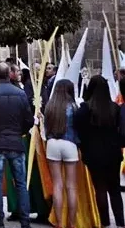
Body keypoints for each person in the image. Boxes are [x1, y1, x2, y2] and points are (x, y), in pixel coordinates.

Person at [0, 62, 33, 228]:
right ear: (9, 73)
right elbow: (28, 120)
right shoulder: (20, 93)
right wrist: (20, 132)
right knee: (21, 182)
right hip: (16, 142)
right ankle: (25, 221)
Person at [74, 76, 123, 228]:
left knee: (100, 188)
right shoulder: (115, 108)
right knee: (114, 189)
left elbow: (78, 129)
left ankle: (105, 222)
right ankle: (120, 221)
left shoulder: (84, 110)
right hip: (113, 152)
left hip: (93, 154)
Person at [41, 78, 77, 228]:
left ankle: (59, 223)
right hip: (70, 143)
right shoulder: (74, 107)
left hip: (52, 144)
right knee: (71, 186)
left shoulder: (50, 106)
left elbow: (45, 128)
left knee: (57, 185)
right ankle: (72, 223)